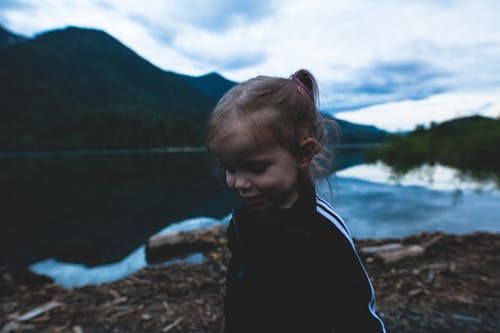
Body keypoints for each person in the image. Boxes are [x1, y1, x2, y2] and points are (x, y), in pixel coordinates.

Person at [206, 69, 386, 333]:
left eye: (256, 168)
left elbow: (359, 311)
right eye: (230, 169)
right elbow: (238, 292)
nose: (239, 183)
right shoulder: (242, 220)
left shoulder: (323, 231)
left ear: (303, 154)